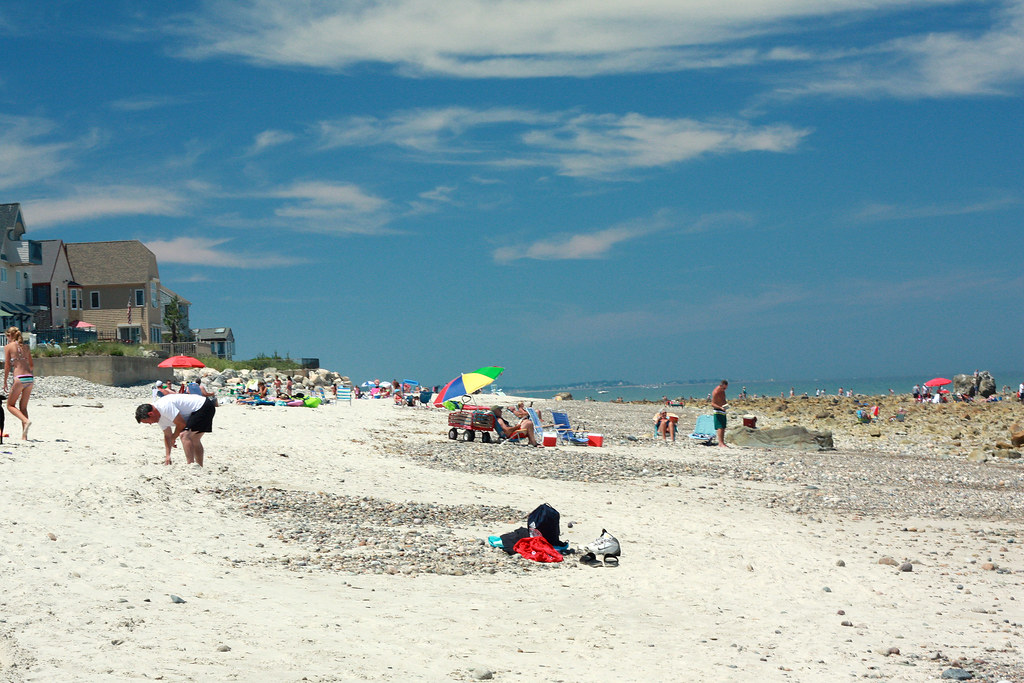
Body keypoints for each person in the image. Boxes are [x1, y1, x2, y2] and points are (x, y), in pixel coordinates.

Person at [135, 393, 217, 466]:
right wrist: (168, 456)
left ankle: (190, 465)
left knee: (184, 435)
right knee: (194, 439)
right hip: (199, 409)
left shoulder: (164, 406)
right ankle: (199, 466)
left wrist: (174, 437)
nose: (150, 424)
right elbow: (167, 435)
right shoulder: (158, 417)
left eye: (148, 422)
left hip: (203, 406)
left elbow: (181, 424)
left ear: (150, 414)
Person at [3, 327, 34, 440]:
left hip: (19, 378)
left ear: (9, 336)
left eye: (6, 337)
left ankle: (26, 421)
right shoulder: (25, 347)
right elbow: (31, 365)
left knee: (10, 405)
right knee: (23, 407)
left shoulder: (8, 347)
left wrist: (5, 381)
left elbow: (7, 366)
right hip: (30, 378)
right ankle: (24, 437)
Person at [711, 379, 729, 448]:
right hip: (718, 410)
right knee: (720, 427)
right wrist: (720, 407)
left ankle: (722, 442)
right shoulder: (716, 392)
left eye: (726, 388)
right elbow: (712, 404)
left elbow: (723, 399)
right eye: (724, 388)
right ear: (720, 386)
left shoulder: (722, 391)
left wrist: (725, 405)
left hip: (723, 409)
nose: (724, 389)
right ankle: (720, 443)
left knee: (723, 426)